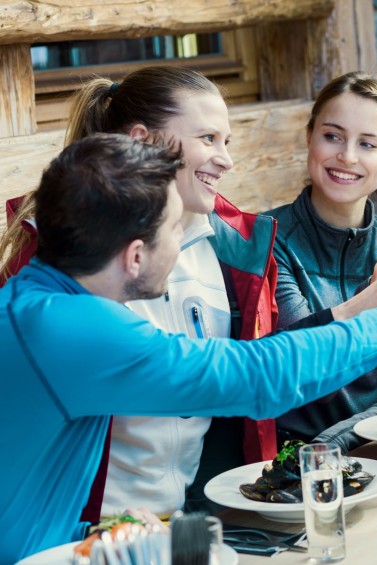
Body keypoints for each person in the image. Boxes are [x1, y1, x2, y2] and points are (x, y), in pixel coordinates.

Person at [0, 133, 377, 562]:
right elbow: (254, 377)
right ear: (136, 255)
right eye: (174, 228)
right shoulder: (70, 327)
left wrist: (102, 534)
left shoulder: (42, 304)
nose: (184, 238)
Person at [0, 66, 285, 520]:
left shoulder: (238, 248)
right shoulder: (54, 261)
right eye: (207, 139)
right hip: (81, 533)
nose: (226, 159)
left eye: (226, 141)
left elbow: (240, 404)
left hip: (189, 522)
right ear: (145, 141)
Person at [266, 71, 377, 452]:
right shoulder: (266, 240)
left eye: (368, 144)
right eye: (333, 136)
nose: (347, 156)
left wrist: (340, 445)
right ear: (309, 136)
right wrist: (369, 300)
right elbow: (291, 368)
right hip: (289, 465)